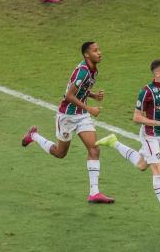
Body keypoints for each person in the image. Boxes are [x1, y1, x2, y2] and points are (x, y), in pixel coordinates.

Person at [22, 42, 114, 204]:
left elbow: (82, 89)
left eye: (99, 49)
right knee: (60, 153)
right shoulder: (83, 72)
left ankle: (94, 193)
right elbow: (69, 96)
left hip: (81, 116)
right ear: (87, 55)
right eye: (95, 51)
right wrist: (90, 108)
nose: (99, 53)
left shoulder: (93, 70)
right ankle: (34, 136)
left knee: (94, 148)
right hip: (67, 116)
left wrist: (92, 96)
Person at [95, 59, 160, 226]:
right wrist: (156, 123)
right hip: (149, 134)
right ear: (157, 74)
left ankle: (113, 142)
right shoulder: (146, 92)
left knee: (142, 165)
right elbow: (136, 117)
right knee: (158, 170)